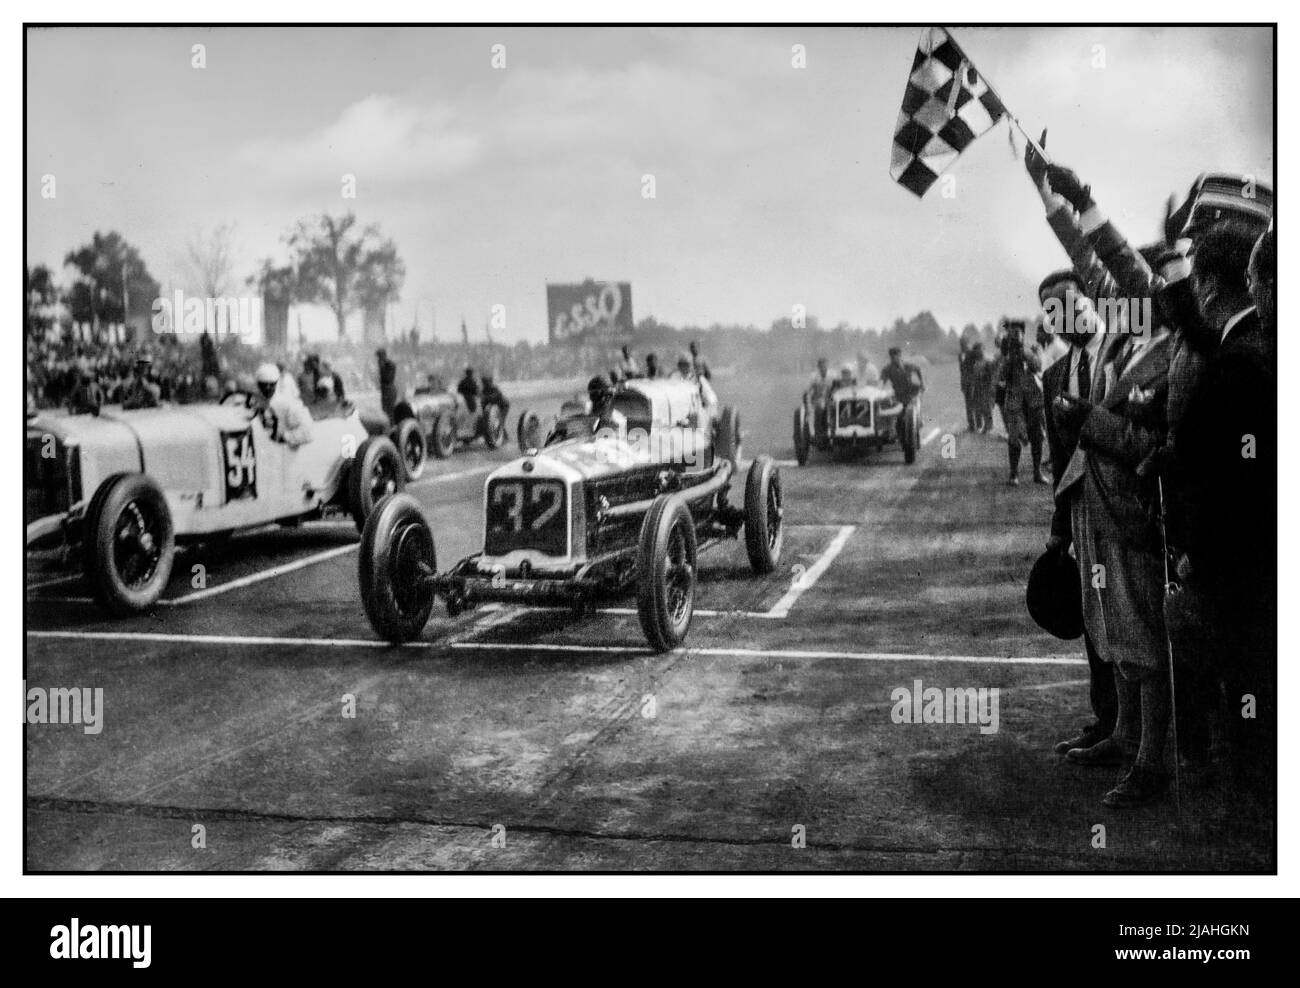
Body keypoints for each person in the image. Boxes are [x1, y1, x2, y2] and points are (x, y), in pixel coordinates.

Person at [1039, 269, 1117, 758]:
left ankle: (1153, 733)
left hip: (1130, 512)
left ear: (1092, 300)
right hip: (1086, 516)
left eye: (1069, 304)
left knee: (1137, 623)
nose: (1063, 317)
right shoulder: (1052, 378)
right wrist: (1058, 531)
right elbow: (1063, 465)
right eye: (1052, 311)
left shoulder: (1123, 356)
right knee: (1096, 619)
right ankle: (1109, 722)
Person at [991, 326, 1045, 486]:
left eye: (1019, 342)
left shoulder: (1029, 353)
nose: (1018, 346)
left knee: (1037, 437)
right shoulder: (1007, 358)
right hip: (1016, 403)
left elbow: (1038, 366)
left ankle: (1037, 472)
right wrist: (1009, 359)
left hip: (1033, 402)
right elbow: (1001, 377)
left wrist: (1028, 354)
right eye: (1015, 343)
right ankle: (1013, 474)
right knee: (1014, 439)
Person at [254, 361, 313, 447]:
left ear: (277, 383)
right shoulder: (252, 403)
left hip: (280, 452)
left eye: (271, 384)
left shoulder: (288, 403)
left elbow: (307, 432)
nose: (267, 388)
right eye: (263, 385)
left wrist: (285, 437)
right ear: (258, 385)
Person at [376, 348, 397, 418]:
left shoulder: (390, 365)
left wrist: (382, 367)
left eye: (379, 356)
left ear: (384, 356)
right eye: (378, 357)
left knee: (390, 411)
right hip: (385, 391)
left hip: (389, 390)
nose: (378, 359)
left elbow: (388, 379)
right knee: (385, 411)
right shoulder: (383, 364)